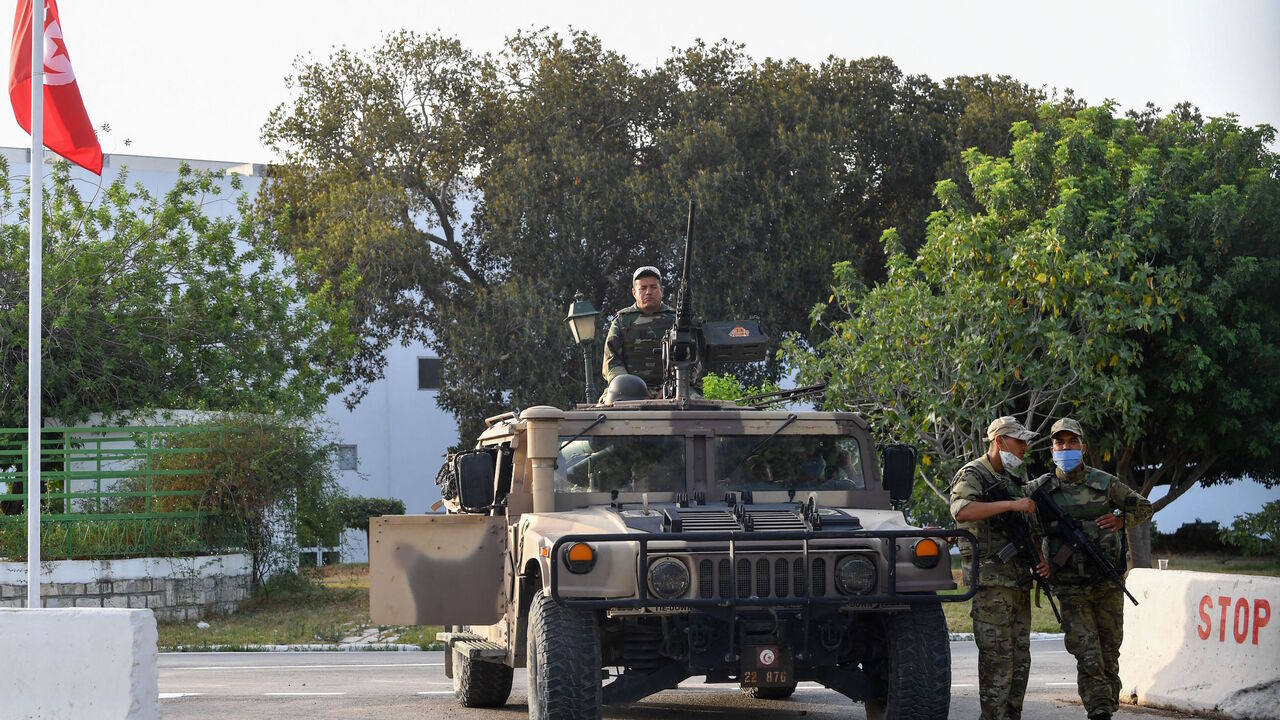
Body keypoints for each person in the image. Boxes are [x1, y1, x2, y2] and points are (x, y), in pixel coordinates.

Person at [1028, 418, 1152, 720]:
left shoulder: (1103, 482)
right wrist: (1038, 560)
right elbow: (1027, 528)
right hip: (1070, 588)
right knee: (1088, 653)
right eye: (1060, 443)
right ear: (1052, 448)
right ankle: (1098, 711)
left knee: (1109, 653)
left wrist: (1121, 521)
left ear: (1082, 446)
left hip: (1107, 583)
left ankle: (1106, 706)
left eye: (1072, 442)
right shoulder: (1040, 489)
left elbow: (1144, 507)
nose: (1066, 448)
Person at [950, 415, 1045, 720]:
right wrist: (1011, 505)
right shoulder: (973, 473)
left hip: (1018, 582)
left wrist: (1040, 559)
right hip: (991, 585)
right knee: (997, 661)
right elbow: (962, 511)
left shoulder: (1014, 478)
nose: (1024, 448)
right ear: (1000, 441)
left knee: (1020, 660)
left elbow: (1029, 526)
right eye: (1019, 441)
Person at [602, 266, 676, 393]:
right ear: (634, 292)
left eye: (653, 287)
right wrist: (630, 386)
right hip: (627, 389)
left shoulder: (676, 320)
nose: (648, 292)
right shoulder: (622, 321)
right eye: (643, 288)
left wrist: (670, 388)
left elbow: (692, 361)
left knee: (697, 407)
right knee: (608, 404)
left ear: (662, 290)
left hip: (675, 388)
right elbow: (612, 362)